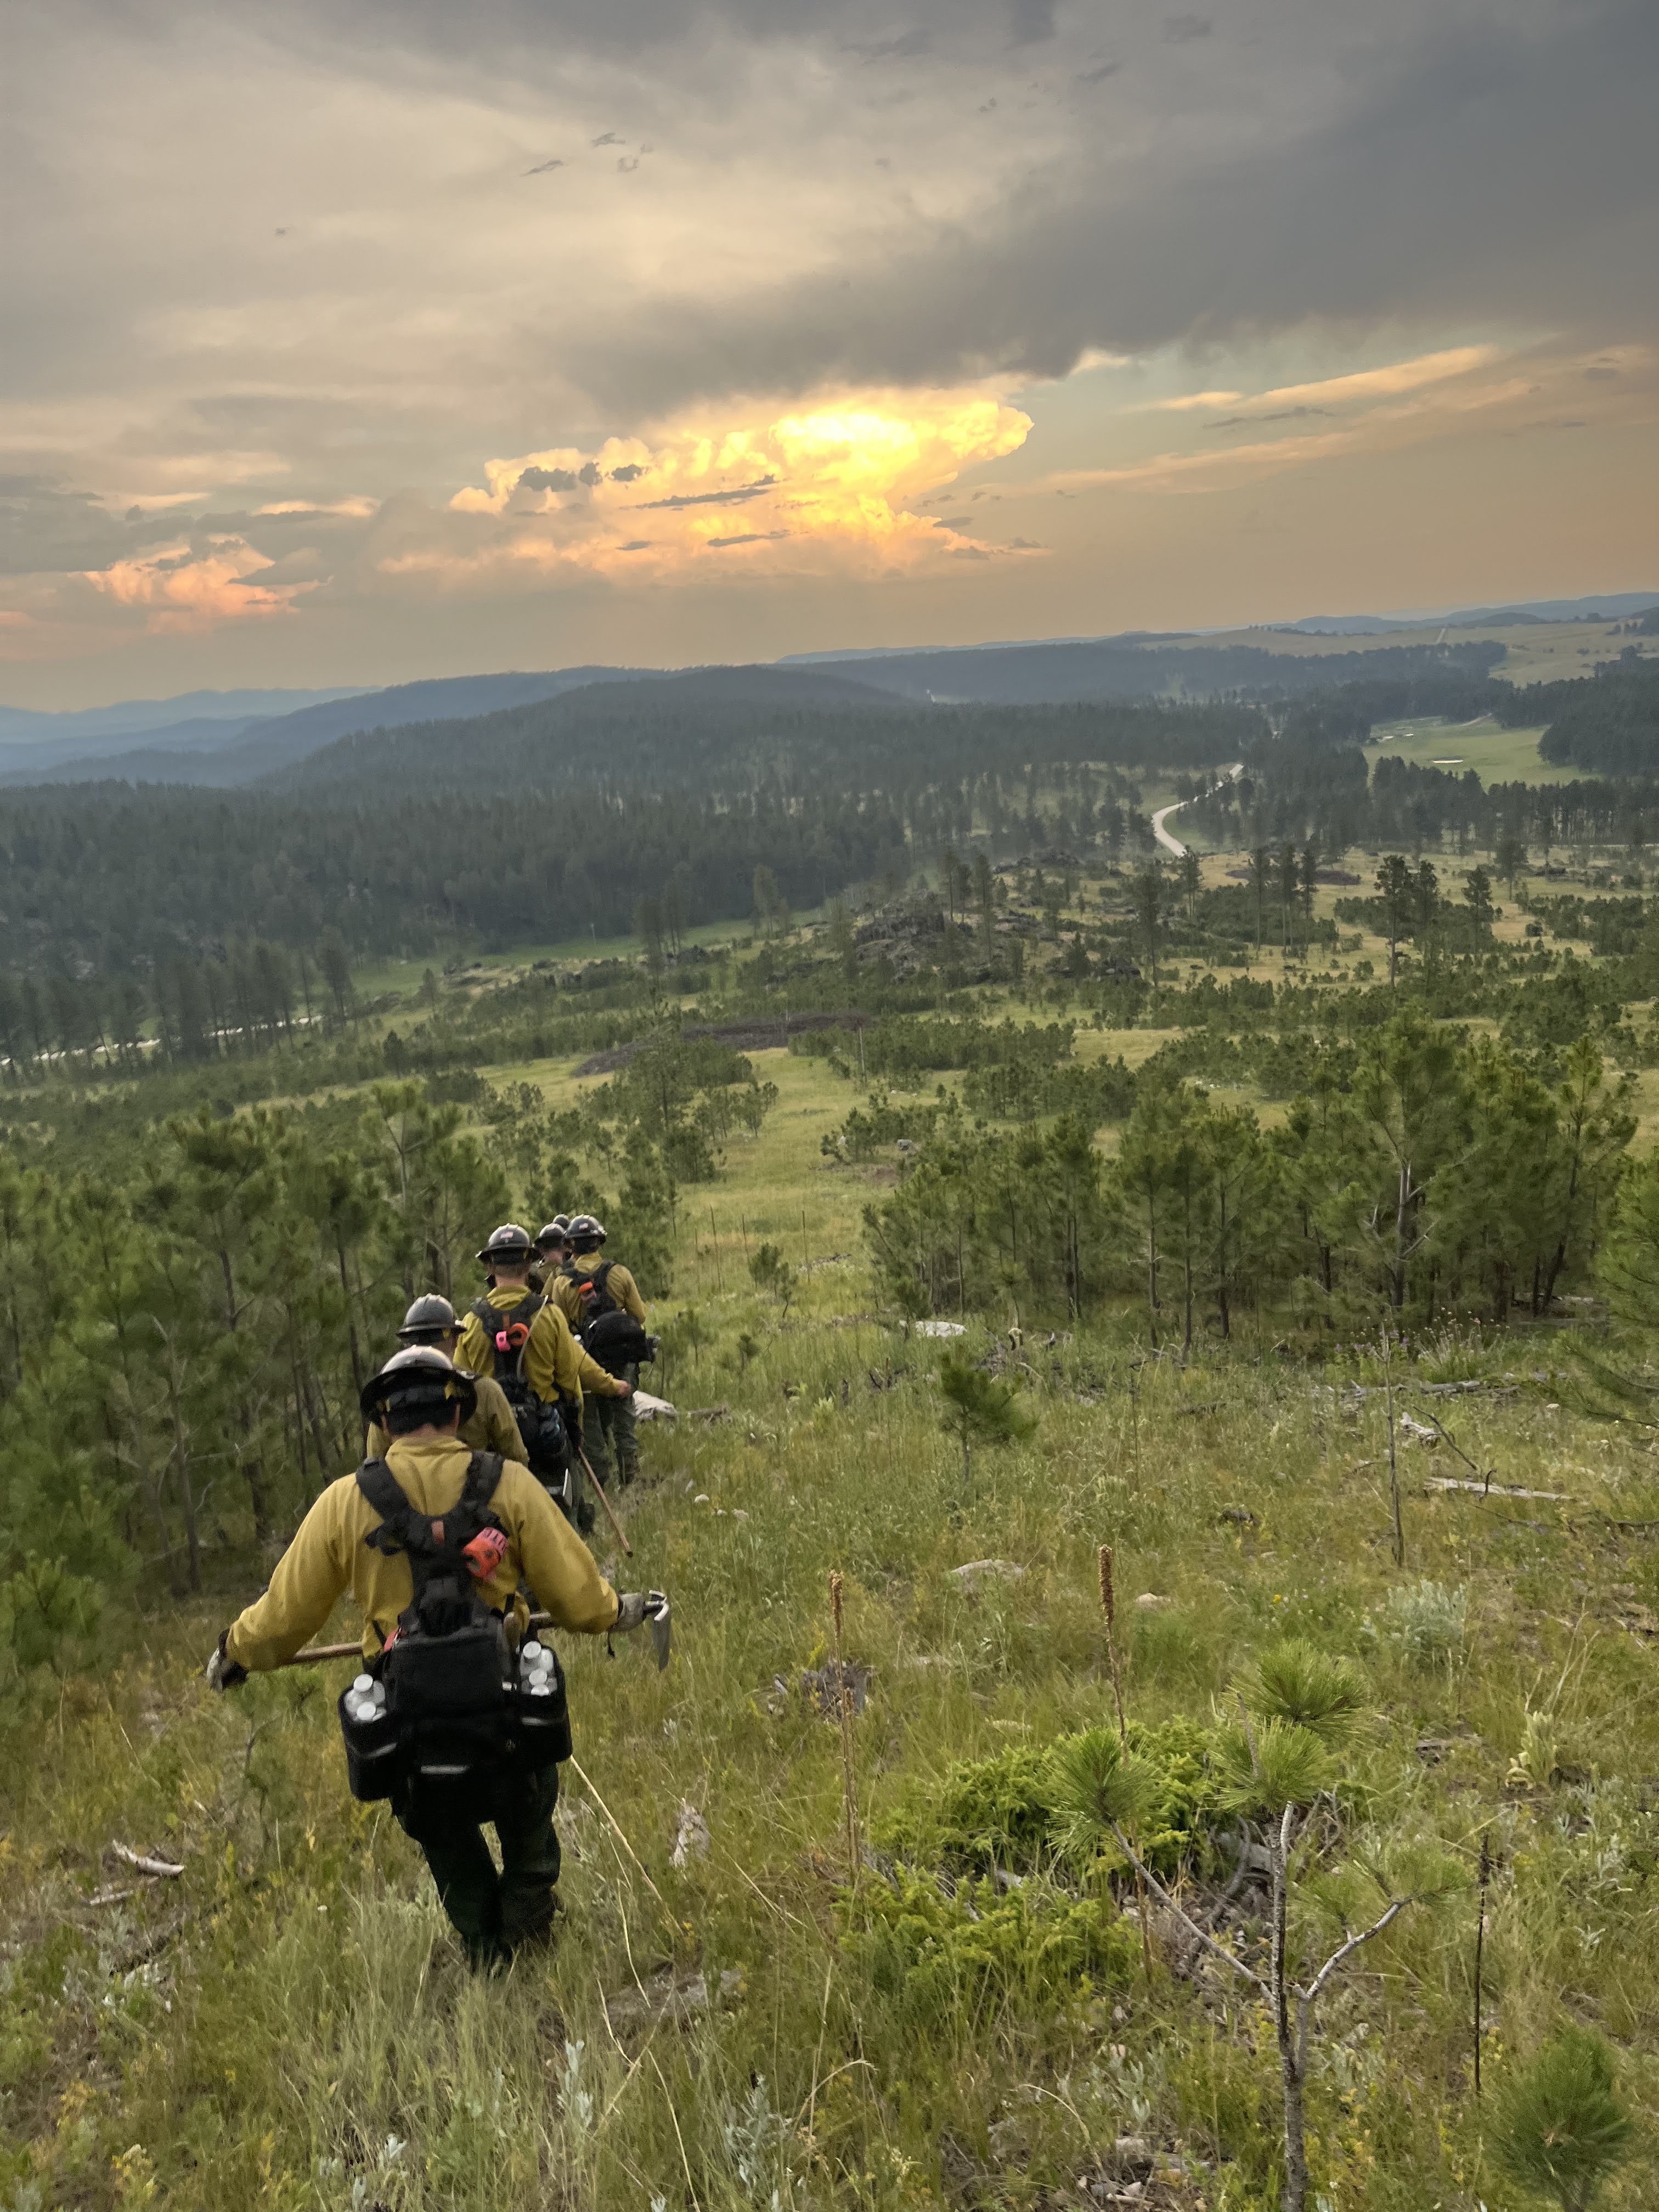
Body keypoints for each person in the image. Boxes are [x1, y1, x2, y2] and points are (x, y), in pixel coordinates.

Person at [205, 1346, 662, 1968]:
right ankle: (528, 1920)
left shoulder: (344, 1502)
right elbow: (580, 1600)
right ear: (456, 1412)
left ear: (386, 1422)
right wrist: (619, 1613)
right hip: (505, 1716)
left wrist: (235, 1652)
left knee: (444, 1835)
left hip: (412, 1727)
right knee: (529, 1814)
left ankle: (485, 1947)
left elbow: (283, 1619)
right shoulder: (510, 1484)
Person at [455, 1223, 630, 1515]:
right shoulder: (548, 1315)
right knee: (564, 1512)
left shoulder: (471, 1322)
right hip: (545, 1433)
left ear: (490, 1265)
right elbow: (571, 1376)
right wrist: (577, 1426)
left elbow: (462, 1383)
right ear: (529, 1263)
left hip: (493, 1439)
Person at [363, 1293, 527, 1465]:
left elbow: (375, 1462)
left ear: (407, 1343)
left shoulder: (390, 1394)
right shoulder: (484, 1390)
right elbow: (517, 1459)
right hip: (473, 1489)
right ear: (455, 1341)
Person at [555, 1214, 651, 1488]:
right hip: (622, 1356)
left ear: (571, 1246)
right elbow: (639, 1316)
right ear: (599, 1242)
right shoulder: (620, 1273)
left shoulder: (562, 1283)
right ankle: (630, 1473)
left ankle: (600, 1479)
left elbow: (560, 1328)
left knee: (591, 1418)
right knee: (624, 1413)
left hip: (585, 1357)